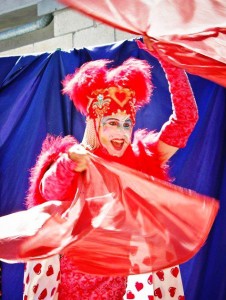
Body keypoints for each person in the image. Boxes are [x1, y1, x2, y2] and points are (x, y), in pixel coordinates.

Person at [23, 37, 199, 299]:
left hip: (125, 288)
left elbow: (185, 120)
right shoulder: (72, 157)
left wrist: (169, 61)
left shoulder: (143, 159)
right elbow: (48, 192)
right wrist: (69, 163)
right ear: (94, 122)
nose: (121, 132)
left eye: (127, 124)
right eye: (112, 123)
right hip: (72, 288)